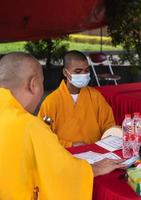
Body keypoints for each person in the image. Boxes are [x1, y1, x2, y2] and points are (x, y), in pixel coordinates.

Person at [0, 52, 124, 200]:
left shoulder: (95, 97)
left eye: (86, 71)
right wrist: (94, 169)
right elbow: (60, 170)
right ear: (33, 84)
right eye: (42, 83)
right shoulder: (32, 124)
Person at [38, 50, 116, 147]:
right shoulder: (51, 102)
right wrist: (69, 144)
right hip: (65, 154)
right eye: (78, 71)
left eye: (86, 70)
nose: (83, 74)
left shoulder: (96, 96)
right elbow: (42, 135)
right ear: (65, 72)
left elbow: (108, 125)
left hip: (95, 153)